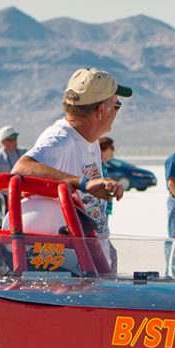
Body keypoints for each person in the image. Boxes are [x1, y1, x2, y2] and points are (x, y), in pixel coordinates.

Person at [12, 68, 130, 237]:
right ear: (102, 110)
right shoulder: (61, 139)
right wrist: (83, 183)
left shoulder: (89, 140)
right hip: (70, 259)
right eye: (117, 105)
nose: (117, 112)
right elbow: (21, 168)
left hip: (90, 255)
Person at [99, 137, 116, 221]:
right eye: (111, 148)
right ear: (102, 150)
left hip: (105, 209)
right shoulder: (99, 167)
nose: (113, 151)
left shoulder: (104, 166)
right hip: (100, 209)